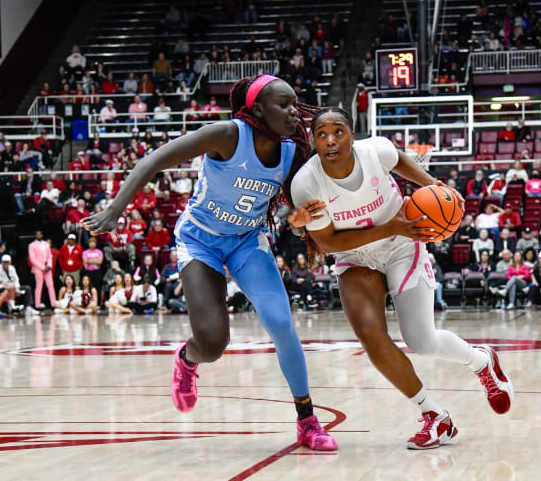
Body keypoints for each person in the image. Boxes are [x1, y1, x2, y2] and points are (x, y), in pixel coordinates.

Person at [82, 75, 337, 450]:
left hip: (247, 241)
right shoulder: (226, 134)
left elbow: (301, 207)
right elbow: (155, 160)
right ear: (257, 110)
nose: (294, 113)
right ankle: (187, 359)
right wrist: (115, 209)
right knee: (214, 343)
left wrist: (298, 220)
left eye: (295, 104)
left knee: (282, 323)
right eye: (283, 105)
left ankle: (307, 421)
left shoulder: (292, 151)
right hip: (200, 240)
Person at [290, 107, 513, 449]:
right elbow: (329, 241)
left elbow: (400, 160)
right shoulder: (306, 183)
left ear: (352, 134)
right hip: (354, 253)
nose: (330, 140)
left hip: (401, 244)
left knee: (421, 340)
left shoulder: (375, 149)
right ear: (313, 140)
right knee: (372, 339)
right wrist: (388, 225)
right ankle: (434, 416)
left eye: (338, 131)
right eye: (321, 134)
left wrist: (434, 186)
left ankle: (482, 361)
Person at [28, 230, 57, 311]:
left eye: (40, 234)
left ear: (42, 235)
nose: (39, 235)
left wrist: (49, 265)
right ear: (35, 235)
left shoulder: (46, 244)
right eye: (37, 234)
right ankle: (37, 305)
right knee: (39, 286)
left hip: (47, 267)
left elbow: (49, 256)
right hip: (38, 267)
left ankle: (53, 304)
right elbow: (32, 259)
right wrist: (42, 267)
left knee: (50, 285)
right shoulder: (32, 245)